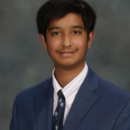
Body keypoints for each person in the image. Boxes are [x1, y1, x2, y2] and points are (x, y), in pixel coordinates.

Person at [10, 0, 130, 130]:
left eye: (75, 32)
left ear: (89, 38)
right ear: (44, 40)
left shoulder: (121, 104)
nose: (66, 42)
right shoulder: (24, 102)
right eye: (56, 33)